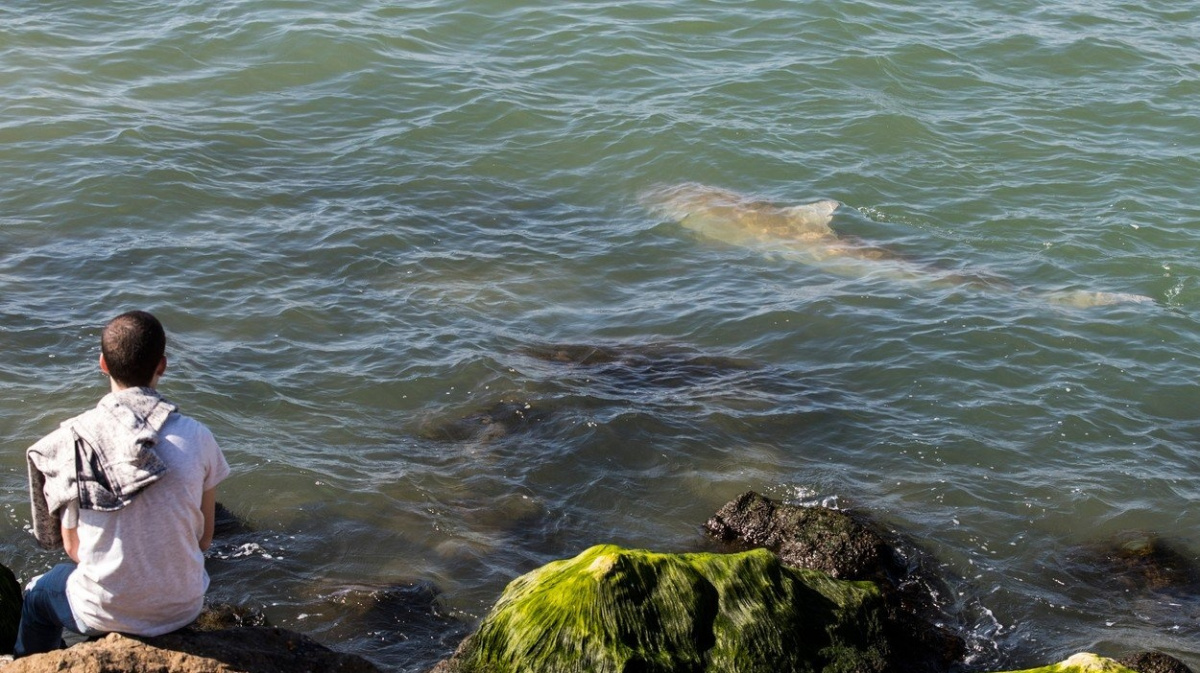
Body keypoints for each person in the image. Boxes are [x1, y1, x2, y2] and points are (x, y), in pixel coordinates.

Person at [18, 310, 230, 657]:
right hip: (183, 608)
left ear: (103, 363)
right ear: (162, 364)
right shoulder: (199, 436)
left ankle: (35, 662)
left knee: (38, 596)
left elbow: (74, 550)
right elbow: (204, 539)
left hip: (103, 612)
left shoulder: (74, 438)